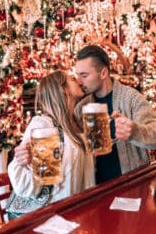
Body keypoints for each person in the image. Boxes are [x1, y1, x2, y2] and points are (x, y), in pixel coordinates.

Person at [75, 45, 156, 184]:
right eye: (77, 75)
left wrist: (135, 132)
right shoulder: (81, 108)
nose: (79, 82)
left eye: (84, 75)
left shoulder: (131, 98)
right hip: (96, 191)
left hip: (131, 185)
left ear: (103, 73)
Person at [7, 70, 95, 217]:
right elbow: (29, 186)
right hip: (51, 216)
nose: (80, 81)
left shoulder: (78, 123)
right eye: (73, 79)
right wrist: (25, 160)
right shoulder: (45, 126)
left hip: (77, 210)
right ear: (63, 89)